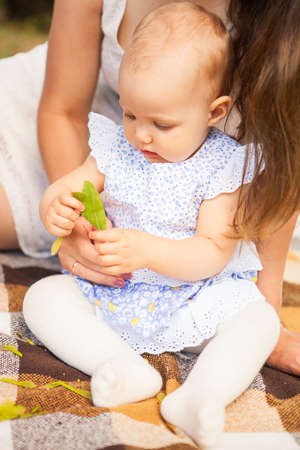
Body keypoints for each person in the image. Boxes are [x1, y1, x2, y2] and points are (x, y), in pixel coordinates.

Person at [23, 4, 280, 448]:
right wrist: (56, 205)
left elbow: (212, 253)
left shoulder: (221, 165)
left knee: (258, 321)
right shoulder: (119, 148)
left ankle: (202, 396)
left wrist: (149, 252)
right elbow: (72, 183)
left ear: (215, 112)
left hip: (194, 297)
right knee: (45, 298)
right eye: (129, 114)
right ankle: (120, 365)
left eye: (162, 124)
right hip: (118, 291)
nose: (141, 135)